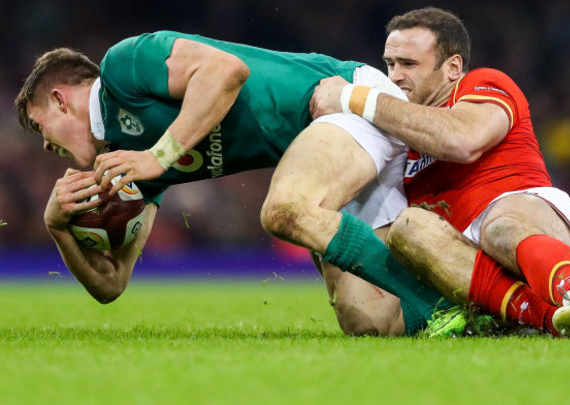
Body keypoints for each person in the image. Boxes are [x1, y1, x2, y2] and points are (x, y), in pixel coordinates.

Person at [15, 31, 453, 338]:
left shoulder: (124, 66)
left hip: (339, 103)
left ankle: (438, 308)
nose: (47, 148)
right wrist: (58, 228)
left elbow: (226, 70)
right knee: (372, 323)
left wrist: (158, 157)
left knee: (283, 210)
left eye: (40, 128)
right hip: (330, 155)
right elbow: (112, 284)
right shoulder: (127, 162)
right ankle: (480, 298)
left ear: (59, 99)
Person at [310, 7, 570, 339]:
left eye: (409, 64)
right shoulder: (399, 140)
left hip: (536, 228)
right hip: (466, 266)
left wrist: (354, 98)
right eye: (390, 64)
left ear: (453, 67)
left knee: (499, 226)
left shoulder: (483, 84)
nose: (394, 77)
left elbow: (462, 141)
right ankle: (549, 321)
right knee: (405, 234)